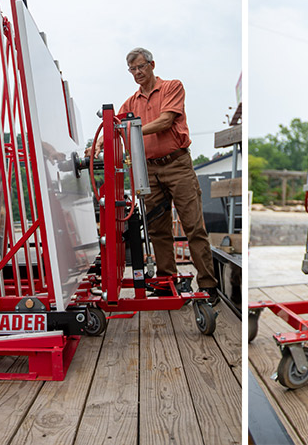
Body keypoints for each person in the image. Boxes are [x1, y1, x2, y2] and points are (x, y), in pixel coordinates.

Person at [92, 47, 218, 301]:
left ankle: (208, 286)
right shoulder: (130, 103)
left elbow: (165, 121)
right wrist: (96, 146)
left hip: (177, 165)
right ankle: (166, 281)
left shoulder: (172, 87)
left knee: (193, 226)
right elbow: (112, 128)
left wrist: (131, 129)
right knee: (158, 230)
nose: (137, 73)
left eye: (140, 67)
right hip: (147, 169)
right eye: (132, 69)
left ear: (152, 65)